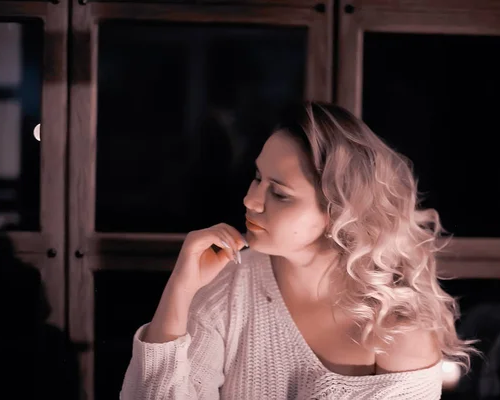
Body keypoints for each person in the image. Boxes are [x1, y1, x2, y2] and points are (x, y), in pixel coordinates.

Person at [120, 102, 475, 399]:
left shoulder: (399, 329)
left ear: (339, 212)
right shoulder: (231, 283)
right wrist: (181, 289)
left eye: (280, 193)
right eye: (257, 177)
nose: (251, 200)